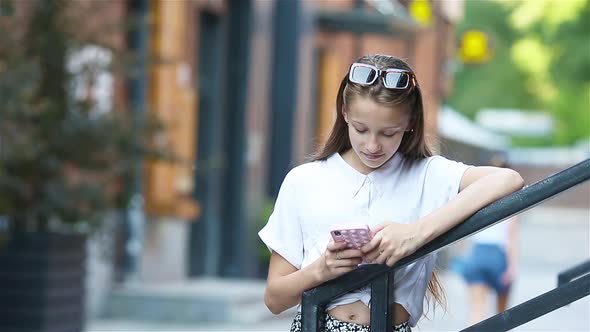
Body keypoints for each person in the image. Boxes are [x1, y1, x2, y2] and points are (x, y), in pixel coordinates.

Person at [258, 54, 524, 332]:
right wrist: (322, 269)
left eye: (388, 133)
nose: (372, 145)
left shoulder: (427, 174)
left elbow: (508, 180)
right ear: (345, 113)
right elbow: (274, 299)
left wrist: (416, 232)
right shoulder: (305, 180)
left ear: (410, 122)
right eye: (361, 129)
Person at [455, 159, 520, 325]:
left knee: (477, 309)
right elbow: (511, 238)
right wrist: (512, 267)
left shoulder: (479, 201)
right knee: (502, 314)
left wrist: (463, 256)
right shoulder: (511, 203)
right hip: (498, 256)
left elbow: (464, 235)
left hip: (477, 254)